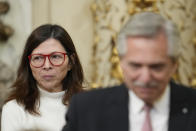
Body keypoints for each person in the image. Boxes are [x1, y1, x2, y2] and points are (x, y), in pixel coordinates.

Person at [62, 12, 196, 131]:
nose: (145, 78)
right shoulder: (86, 109)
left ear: (174, 65)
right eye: (135, 66)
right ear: (121, 62)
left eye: (156, 67)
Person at [1, 24, 84, 131]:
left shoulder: (88, 106)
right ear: (28, 64)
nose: (47, 66)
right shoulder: (14, 109)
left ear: (71, 62)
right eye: (38, 58)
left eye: (55, 57)